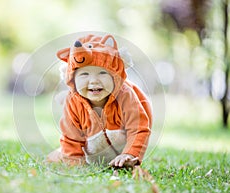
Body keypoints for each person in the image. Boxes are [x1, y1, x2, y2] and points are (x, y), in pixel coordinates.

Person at [47, 34, 152, 168]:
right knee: (61, 155)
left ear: (115, 76)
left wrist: (130, 154)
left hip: (121, 146)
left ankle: (121, 158)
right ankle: (57, 155)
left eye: (103, 73)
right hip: (91, 149)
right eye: (84, 74)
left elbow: (138, 129)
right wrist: (76, 164)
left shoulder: (125, 95)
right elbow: (71, 138)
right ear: (72, 79)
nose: (94, 80)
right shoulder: (73, 102)